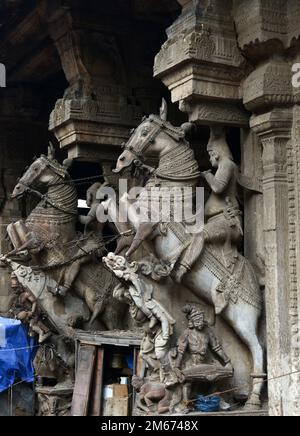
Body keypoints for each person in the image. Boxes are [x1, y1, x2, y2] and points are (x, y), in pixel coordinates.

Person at [174, 126, 243, 283]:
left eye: (211, 154)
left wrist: (207, 175)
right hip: (217, 221)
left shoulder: (227, 164)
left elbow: (218, 187)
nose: (210, 158)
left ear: (217, 153)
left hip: (227, 222)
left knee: (200, 234)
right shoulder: (223, 166)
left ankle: (182, 270)